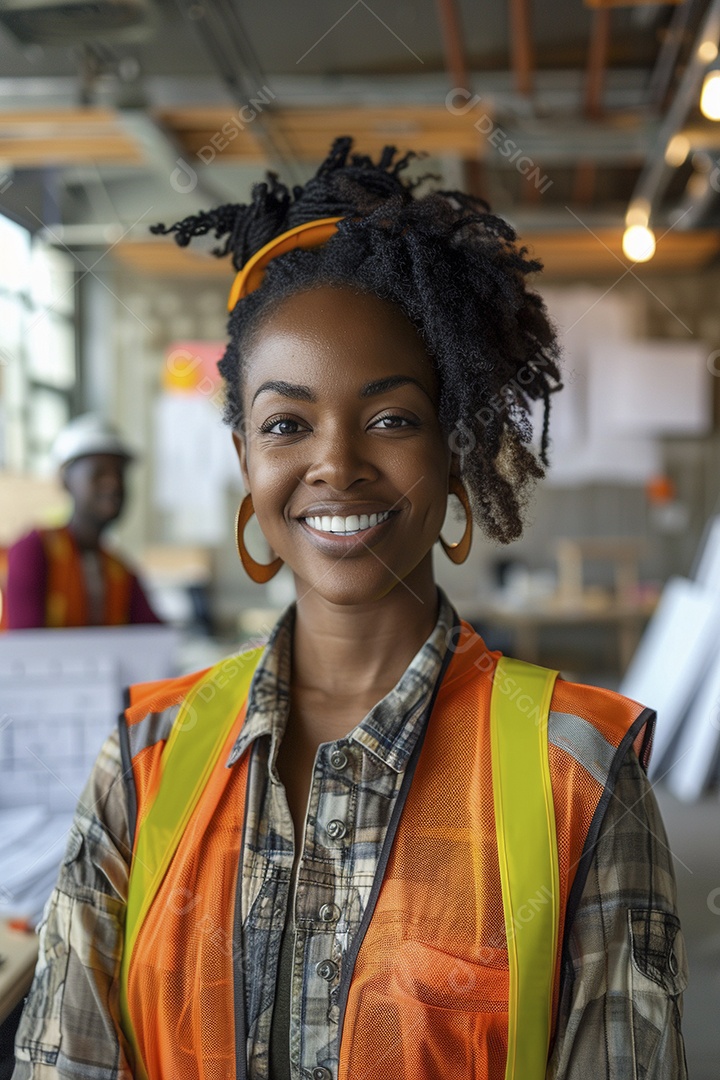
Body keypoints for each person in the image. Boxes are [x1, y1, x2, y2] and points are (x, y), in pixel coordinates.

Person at [12, 138, 687, 1080]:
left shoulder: (577, 772)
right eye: (287, 423)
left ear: (452, 453)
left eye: (392, 417)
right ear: (248, 463)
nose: (336, 462)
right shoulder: (145, 756)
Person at [5, 414, 160, 629]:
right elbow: (27, 644)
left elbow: (155, 637)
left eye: (119, 474)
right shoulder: (33, 551)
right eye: (99, 473)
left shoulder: (121, 571)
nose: (113, 484)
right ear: (66, 480)